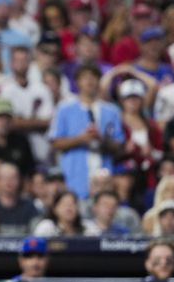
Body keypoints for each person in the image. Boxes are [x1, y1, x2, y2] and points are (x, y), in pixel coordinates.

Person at [50, 63, 124, 199]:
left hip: (104, 176)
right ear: (77, 82)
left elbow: (119, 145)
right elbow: (55, 142)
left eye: (93, 77)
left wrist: (101, 140)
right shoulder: (64, 109)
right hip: (74, 177)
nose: (89, 81)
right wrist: (81, 139)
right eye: (85, 78)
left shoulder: (111, 111)